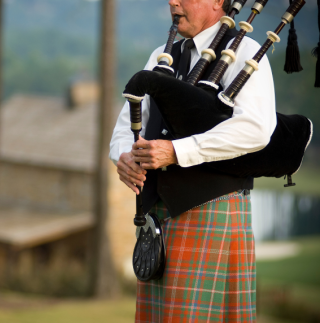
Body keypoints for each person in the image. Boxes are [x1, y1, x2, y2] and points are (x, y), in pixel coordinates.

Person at [110, 0, 276, 321]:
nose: (173, 1)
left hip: (211, 210)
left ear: (218, 2)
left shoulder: (244, 51)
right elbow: (124, 127)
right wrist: (124, 157)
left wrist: (176, 152)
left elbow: (257, 128)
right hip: (158, 217)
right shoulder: (164, 54)